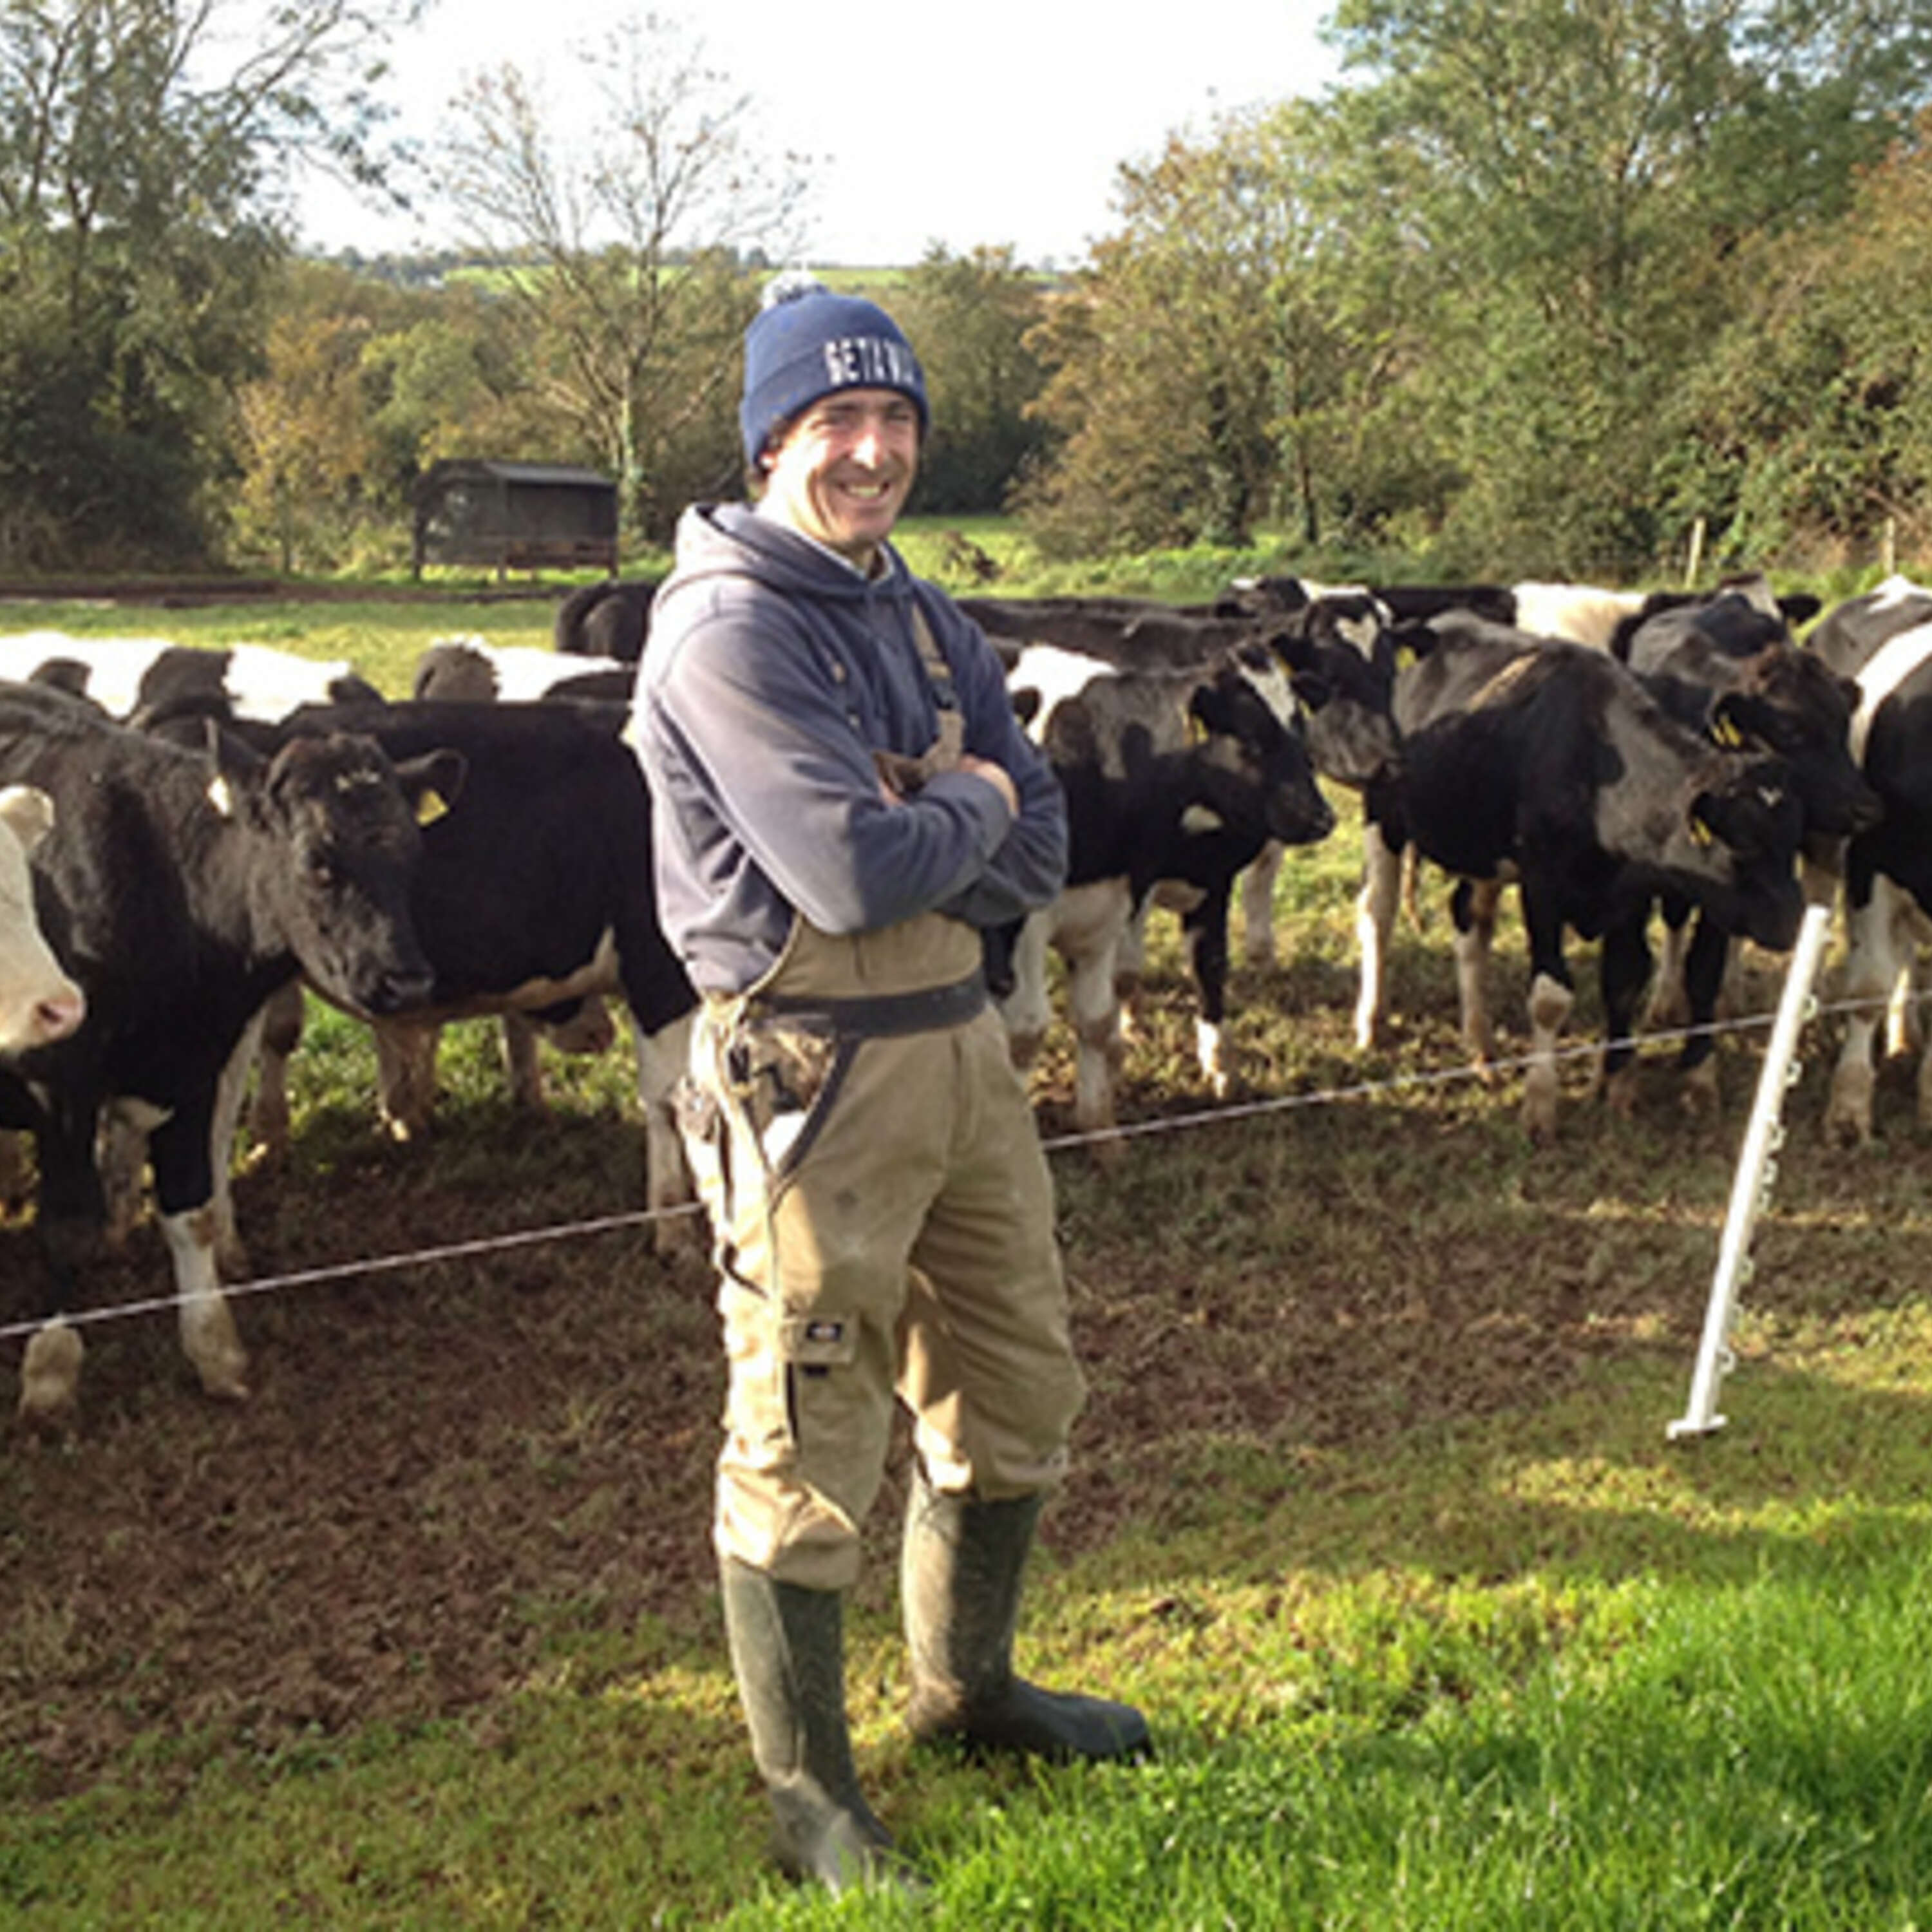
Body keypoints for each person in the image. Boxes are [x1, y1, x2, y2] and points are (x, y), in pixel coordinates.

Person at [632, 274, 1150, 1895]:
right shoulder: (729, 627)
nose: (870, 452)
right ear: (773, 438)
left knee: (1015, 1382)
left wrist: (963, 800)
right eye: (835, 423)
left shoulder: (918, 609)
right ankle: (812, 1800)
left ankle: (969, 1689)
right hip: (810, 1073)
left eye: (895, 421)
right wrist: (970, 796)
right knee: (807, 1422)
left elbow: (1051, 842)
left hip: (965, 1053)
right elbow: (846, 874)